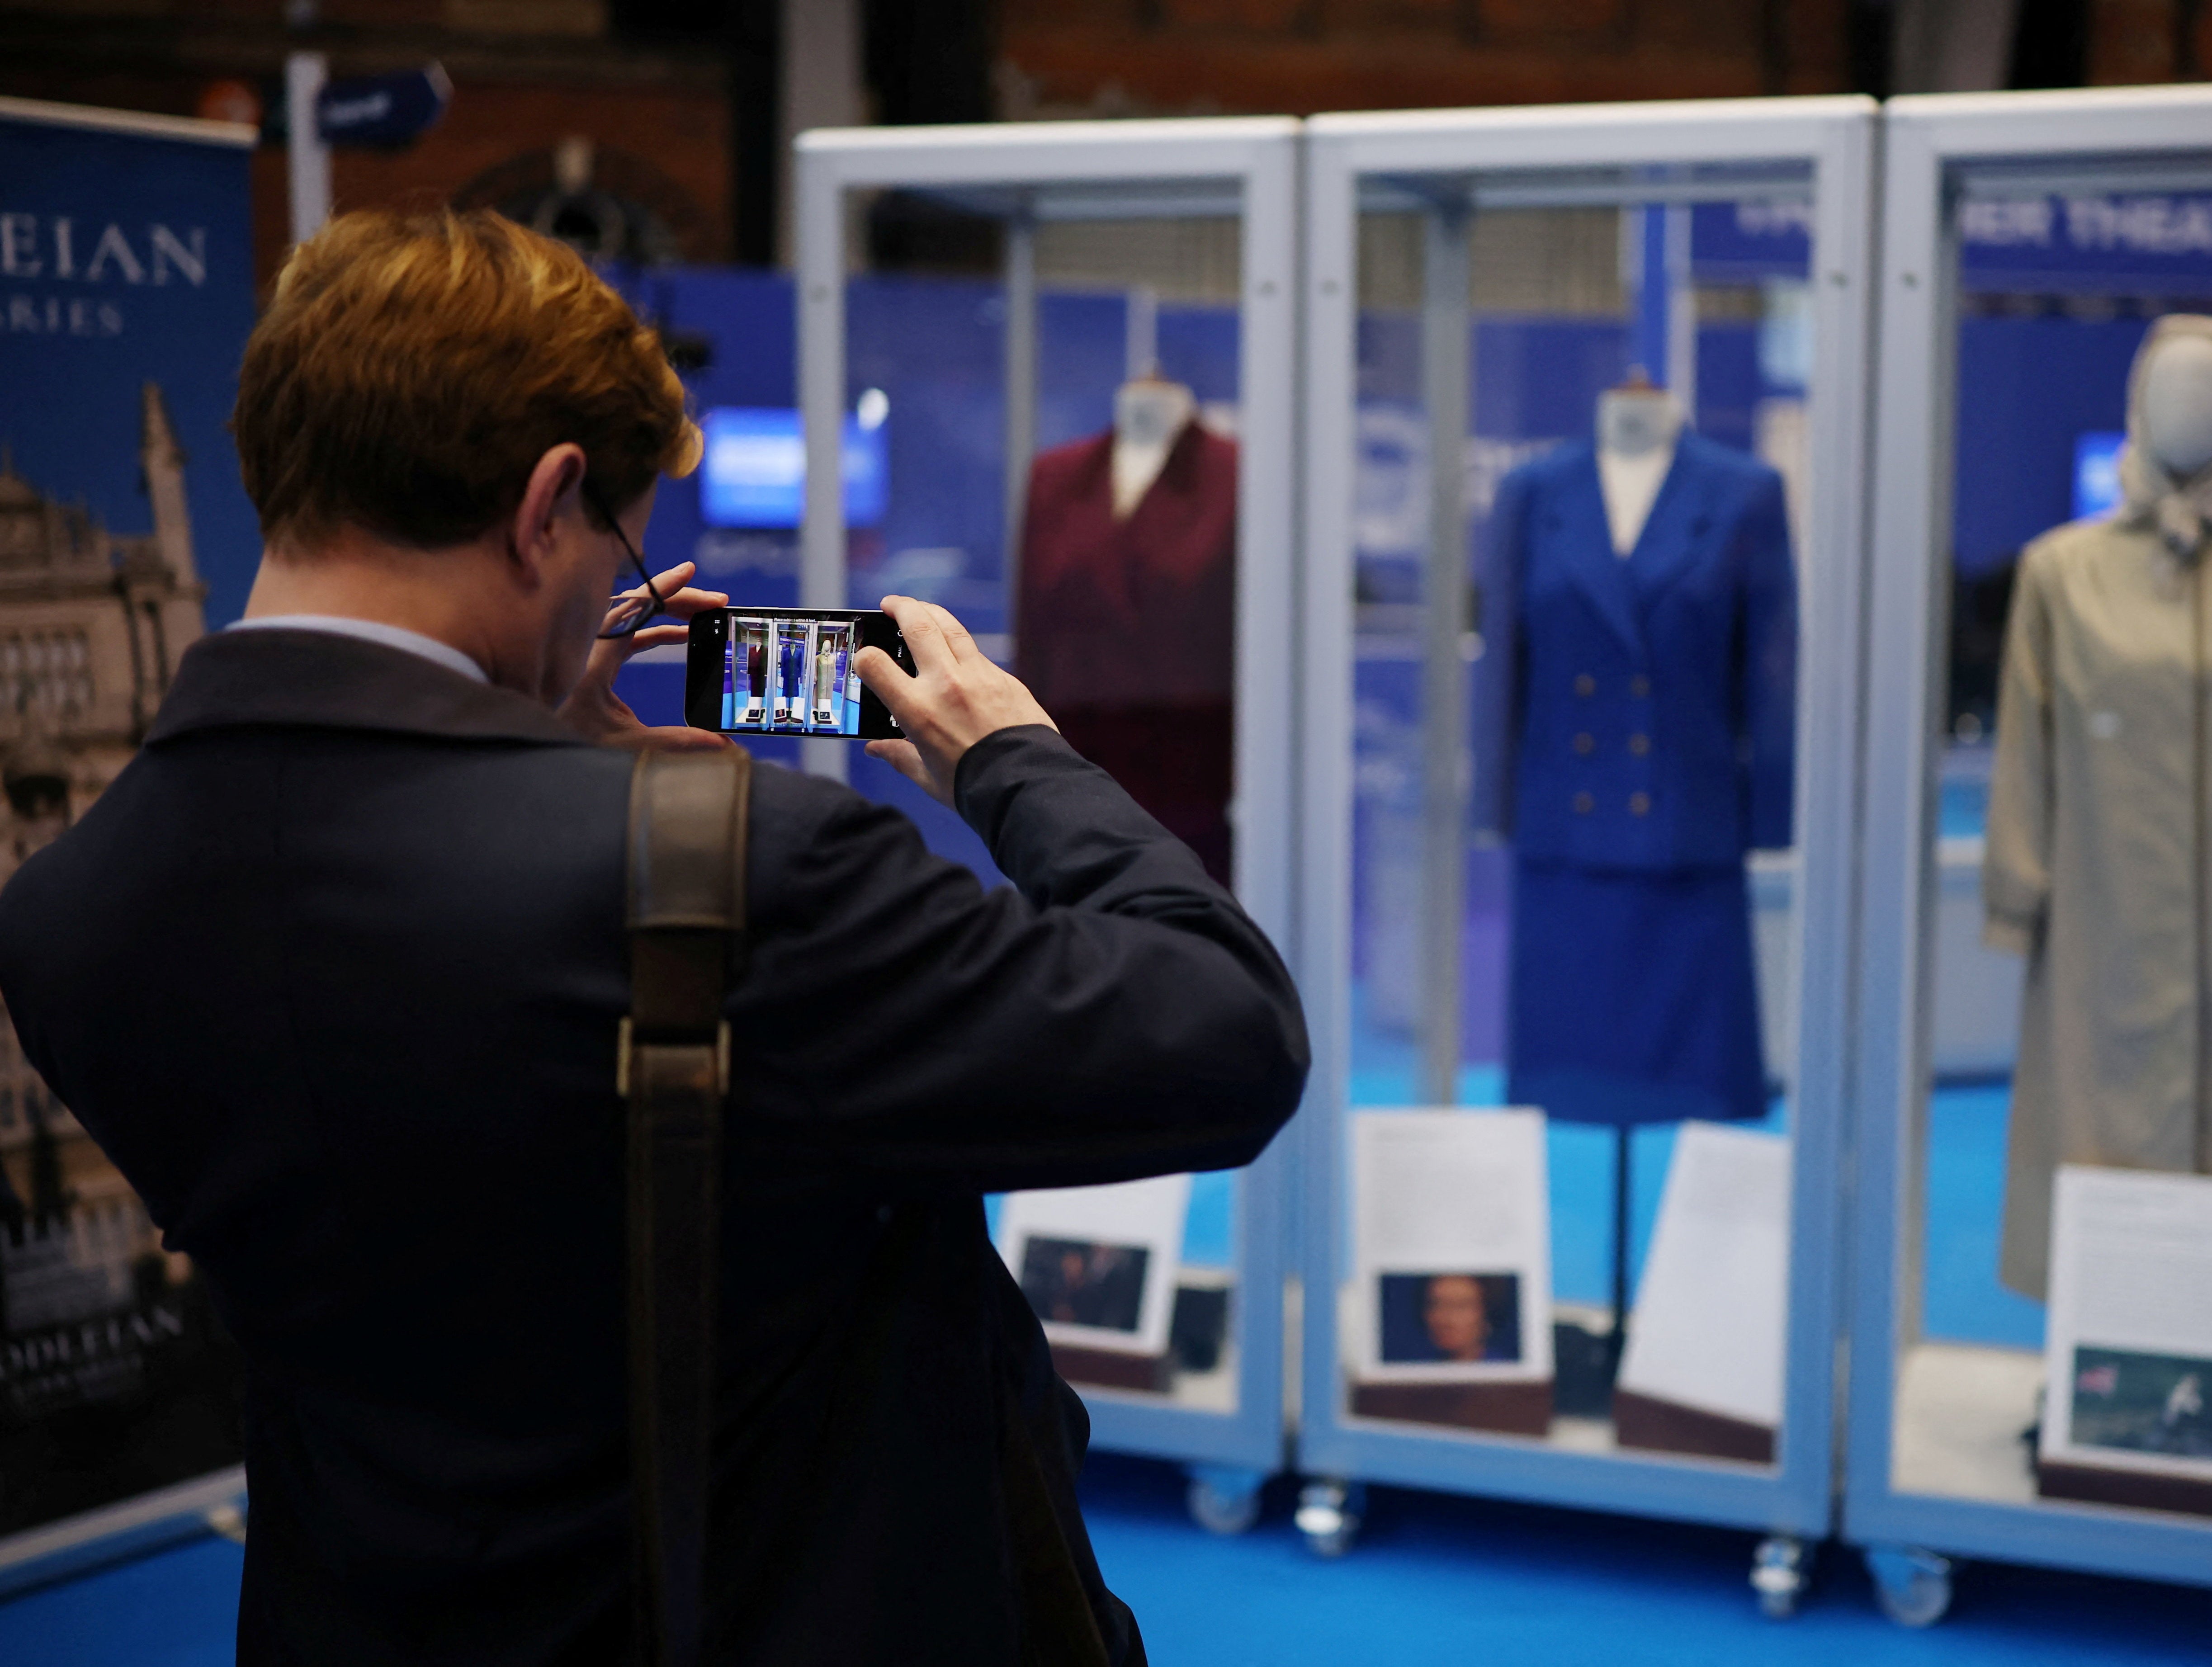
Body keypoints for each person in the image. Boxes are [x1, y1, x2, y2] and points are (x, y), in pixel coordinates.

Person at [0, 208, 1309, 1665]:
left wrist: (520, 747)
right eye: (613, 533)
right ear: (545, 504)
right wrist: (1014, 758)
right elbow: (1224, 1033)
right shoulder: (724, 872)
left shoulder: (67, 914)